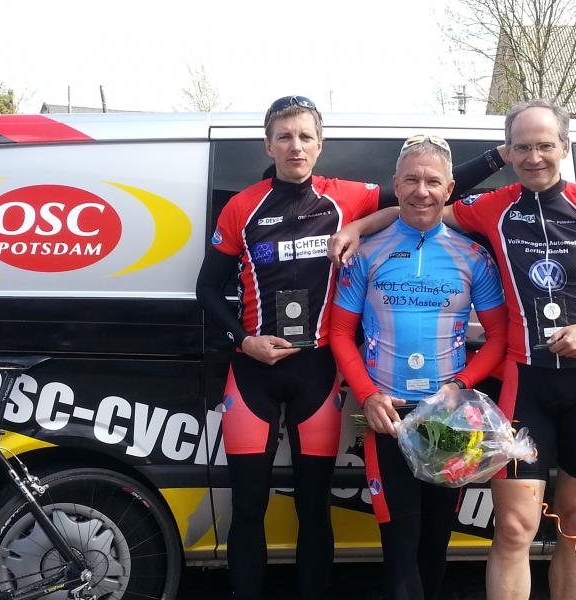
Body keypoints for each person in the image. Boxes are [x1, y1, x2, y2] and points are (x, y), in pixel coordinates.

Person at [327, 99, 576, 600]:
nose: (534, 157)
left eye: (544, 145)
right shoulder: (492, 206)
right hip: (525, 383)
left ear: (564, 147)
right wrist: (357, 227)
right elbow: (421, 209)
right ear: (508, 152)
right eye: (522, 147)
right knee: (512, 527)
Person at [195, 95, 506, 600]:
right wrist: (244, 340)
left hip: (319, 371)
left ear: (320, 144)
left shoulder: (348, 196)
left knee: (313, 505)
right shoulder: (241, 206)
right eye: (284, 136)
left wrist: (500, 156)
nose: (295, 146)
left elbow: (421, 196)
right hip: (253, 370)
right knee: (247, 506)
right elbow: (207, 289)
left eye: (305, 136)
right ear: (268, 144)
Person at [329, 135, 508, 600]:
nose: (421, 191)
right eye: (411, 180)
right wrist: (368, 395)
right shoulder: (366, 252)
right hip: (387, 417)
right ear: (396, 184)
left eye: (432, 181)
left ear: (449, 188)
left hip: (447, 418)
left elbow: (499, 338)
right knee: (399, 545)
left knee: (435, 542)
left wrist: (460, 386)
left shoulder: (473, 257)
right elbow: (339, 333)